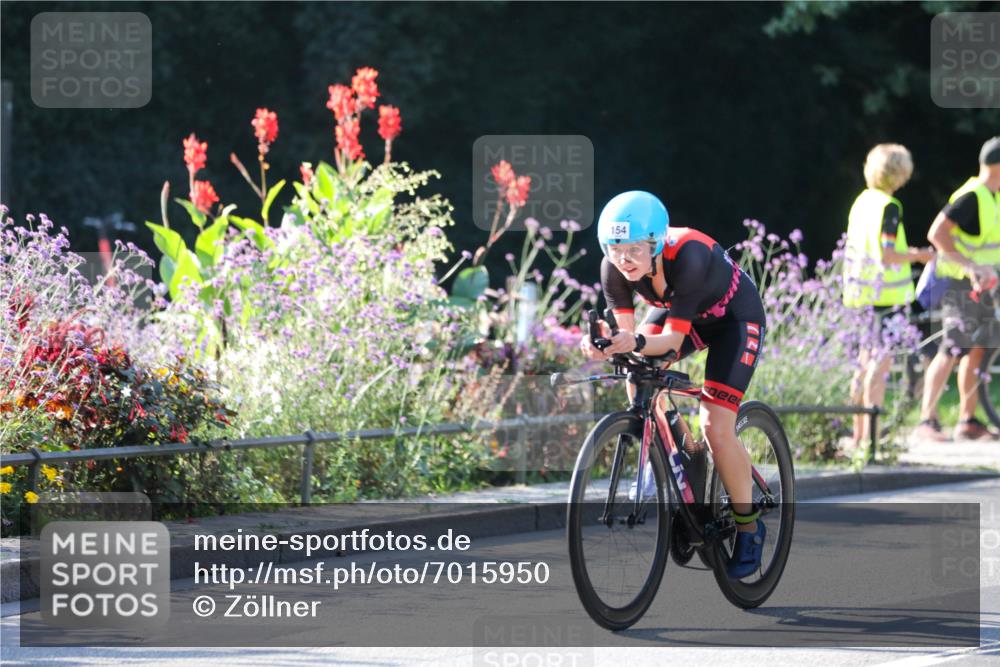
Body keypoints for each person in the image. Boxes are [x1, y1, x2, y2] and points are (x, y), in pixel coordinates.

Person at [578, 190, 768, 579]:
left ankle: (749, 528)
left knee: (716, 423)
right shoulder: (613, 268)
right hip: (687, 310)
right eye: (614, 249)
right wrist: (605, 345)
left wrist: (634, 342)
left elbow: (672, 342)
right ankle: (687, 455)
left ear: (656, 243)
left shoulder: (689, 257)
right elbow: (629, 339)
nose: (623, 260)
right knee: (637, 375)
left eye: (633, 249)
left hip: (734, 319)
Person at [842, 144, 934, 451]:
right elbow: (888, 252)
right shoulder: (889, 206)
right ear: (899, 172)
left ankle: (855, 435)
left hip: (857, 295)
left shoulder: (861, 202)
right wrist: (921, 255)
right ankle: (871, 439)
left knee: (862, 364)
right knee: (879, 368)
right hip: (885, 297)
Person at [915, 137, 1000, 442]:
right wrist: (971, 267)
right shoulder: (973, 196)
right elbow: (937, 233)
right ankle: (926, 421)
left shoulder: (994, 196)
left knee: (976, 351)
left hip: (983, 287)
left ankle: (967, 420)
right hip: (959, 285)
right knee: (951, 349)